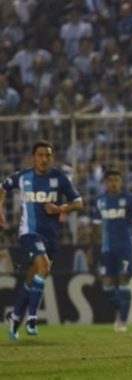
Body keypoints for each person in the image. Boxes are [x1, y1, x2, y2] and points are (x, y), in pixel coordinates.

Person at [1, 141, 83, 341]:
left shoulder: (60, 178)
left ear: (52, 158)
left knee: (33, 276)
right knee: (43, 267)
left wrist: (60, 209)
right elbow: (1, 187)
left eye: (48, 155)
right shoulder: (23, 177)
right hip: (29, 233)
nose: (44, 159)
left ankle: (15, 316)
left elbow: (79, 203)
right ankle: (32, 317)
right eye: (40, 155)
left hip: (52, 237)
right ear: (33, 157)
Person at [92, 170, 132, 332]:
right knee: (107, 287)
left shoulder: (129, 200)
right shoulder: (100, 201)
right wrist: (92, 250)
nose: (113, 183)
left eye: (116, 180)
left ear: (121, 182)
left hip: (125, 249)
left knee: (122, 284)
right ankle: (122, 309)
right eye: (110, 180)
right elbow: (96, 228)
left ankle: (122, 320)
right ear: (105, 183)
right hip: (107, 249)